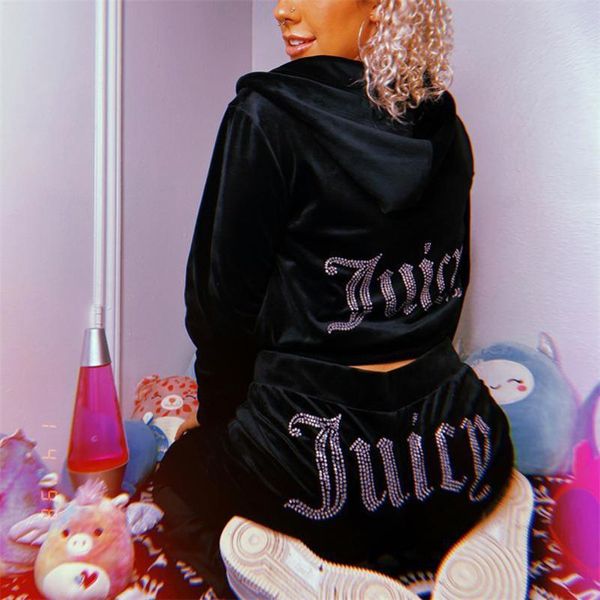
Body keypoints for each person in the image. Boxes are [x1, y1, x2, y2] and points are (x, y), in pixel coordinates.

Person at [153, 0, 515, 597]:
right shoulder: (446, 126)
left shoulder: (267, 115)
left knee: (176, 479)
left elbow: (219, 310)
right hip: (459, 453)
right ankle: (454, 539)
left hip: (321, 468)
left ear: (382, 6)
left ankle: (312, 571)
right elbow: (447, 297)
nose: (281, 10)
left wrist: (219, 422)